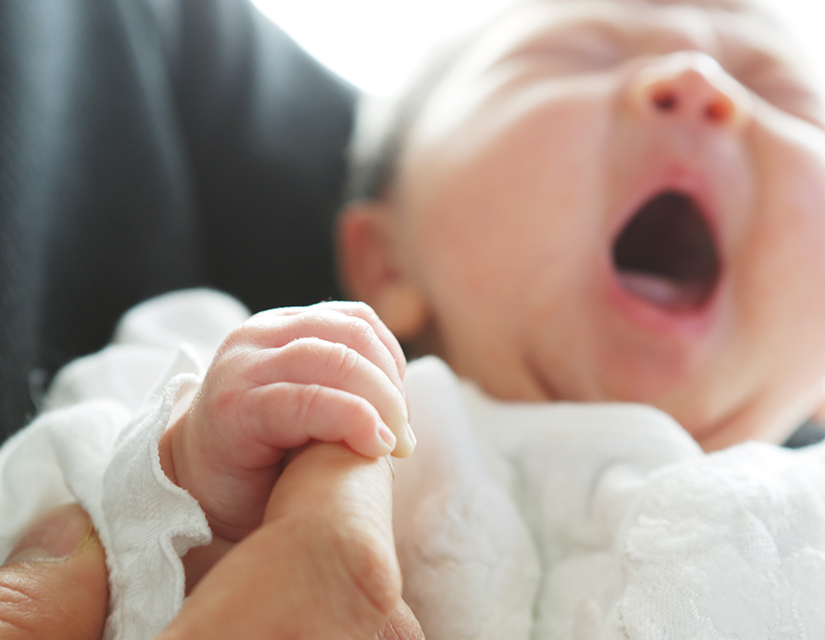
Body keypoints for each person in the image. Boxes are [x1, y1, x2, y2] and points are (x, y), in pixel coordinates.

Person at [7, 0, 825, 637]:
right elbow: (43, 499)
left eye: (785, 95)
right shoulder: (249, 380)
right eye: (581, 56)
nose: (695, 80)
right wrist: (191, 493)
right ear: (388, 263)